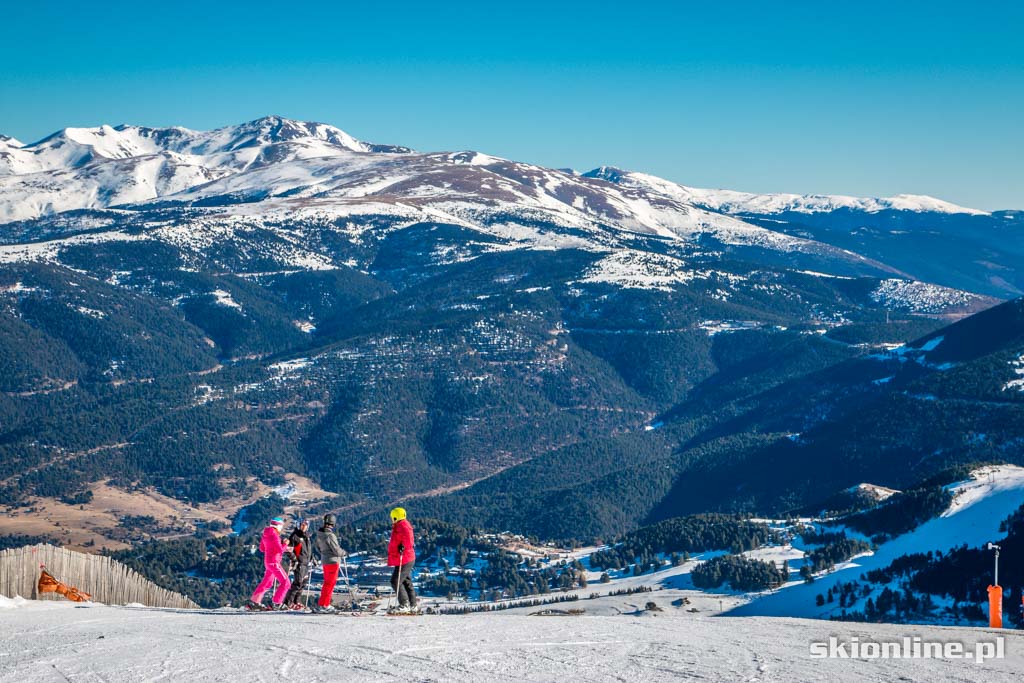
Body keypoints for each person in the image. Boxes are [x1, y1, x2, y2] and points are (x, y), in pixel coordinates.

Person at [247, 517, 291, 611]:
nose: (281, 528)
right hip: (274, 562)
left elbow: (262, 549)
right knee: (286, 583)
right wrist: (285, 544)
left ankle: (254, 602)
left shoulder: (265, 534)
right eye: (281, 526)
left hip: (268, 562)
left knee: (267, 583)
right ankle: (276, 603)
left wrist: (272, 547)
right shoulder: (275, 535)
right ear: (278, 525)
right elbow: (279, 550)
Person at [387, 507, 417, 613]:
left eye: (392, 517)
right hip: (405, 557)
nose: (391, 519)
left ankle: (404, 604)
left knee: (395, 581)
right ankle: (413, 605)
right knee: (406, 581)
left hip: (405, 557)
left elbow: (408, 539)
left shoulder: (403, 525)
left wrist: (403, 547)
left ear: (396, 516)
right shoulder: (400, 525)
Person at [314, 513, 345, 613]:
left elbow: (318, 547)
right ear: (333, 524)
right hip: (333, 561)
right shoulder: (330, 535)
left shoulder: (320, 534)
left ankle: (322, 603)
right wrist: (344, 553)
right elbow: (336, 550)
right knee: (330, 584)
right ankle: (325, 605)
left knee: (326, 583)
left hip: (325, 560)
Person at [282, 519, 313, 609]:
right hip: (299, 563)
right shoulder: (295, 536)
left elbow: (307, 550)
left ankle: (296, 602)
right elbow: (288, 550)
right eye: (302, 525)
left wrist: (312, 558)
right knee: (297, 583)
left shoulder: (306, 536)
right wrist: (294, 559)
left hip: (306, 563)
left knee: (303, 583)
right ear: (298, 525)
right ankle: (288, 603)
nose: (304, 527)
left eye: (305, 525)